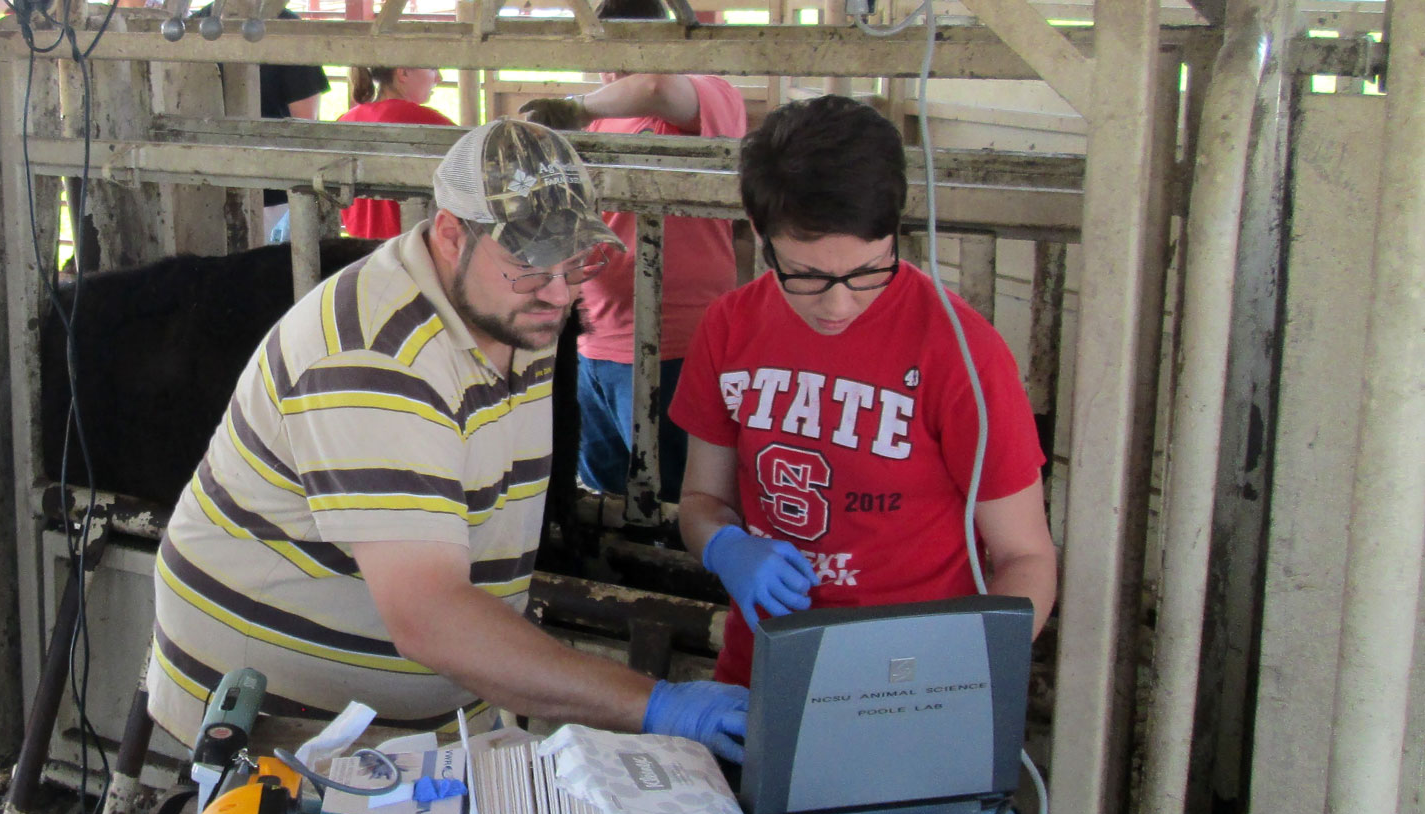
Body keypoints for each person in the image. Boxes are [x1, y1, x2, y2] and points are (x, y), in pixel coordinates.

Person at [146, 118, 749, 765]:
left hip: (429, 704)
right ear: (451, 233)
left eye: (572, 257)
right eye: (527, 259)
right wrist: (654, 703)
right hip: (273, 704)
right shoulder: (374, 358)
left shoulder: (518, 310)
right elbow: (429, 615)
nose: (558, 289)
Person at [669, 95, 1058, 686]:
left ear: (894, 232)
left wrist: (953, 675)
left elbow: (1025, 557)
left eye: (868, 271)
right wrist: (724, 545)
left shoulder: (959, 351)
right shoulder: (729, 328)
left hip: (910, 675)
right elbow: (701, 499)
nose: (837, 304)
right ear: (758, 232)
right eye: (805, 275)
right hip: (767, 668)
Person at [517, 0, 745, 503]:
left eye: (623, 47)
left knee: (680, 502)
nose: (609, 66)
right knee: (605, 502)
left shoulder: (710, 96)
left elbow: (657, 88)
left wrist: (577, 106)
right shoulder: (602, 120)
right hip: (595, 342)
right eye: (602, 50)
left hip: (675, 345)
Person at [194, 1, 331, 239]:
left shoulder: (197, 25)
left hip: (206, 188)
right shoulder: (287, 28)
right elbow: (307, 123)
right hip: (273, 192)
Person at [337, 66, 455, 239]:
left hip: (361, 252)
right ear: (403, 72)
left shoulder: (346, 121)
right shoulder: (430, 123)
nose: (439, 78)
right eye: (432, 68)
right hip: (415, 249)